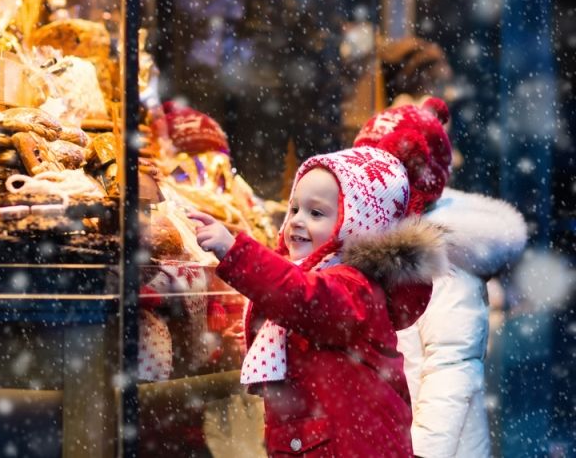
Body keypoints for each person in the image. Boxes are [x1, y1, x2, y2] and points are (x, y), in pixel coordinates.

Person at [188, 132, 448, 455]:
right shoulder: (318, 281)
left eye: (316, 213)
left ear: (355, 224)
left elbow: (301, 298)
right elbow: (293, 313)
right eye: (294, 208)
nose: (296, 221)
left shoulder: (354, 287)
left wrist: (236, 251)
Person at [353, 98, 528, 457]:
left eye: (371, 171)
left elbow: (452, 370)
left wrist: (420, 452)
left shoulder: (442, 257)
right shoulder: (384, 247)